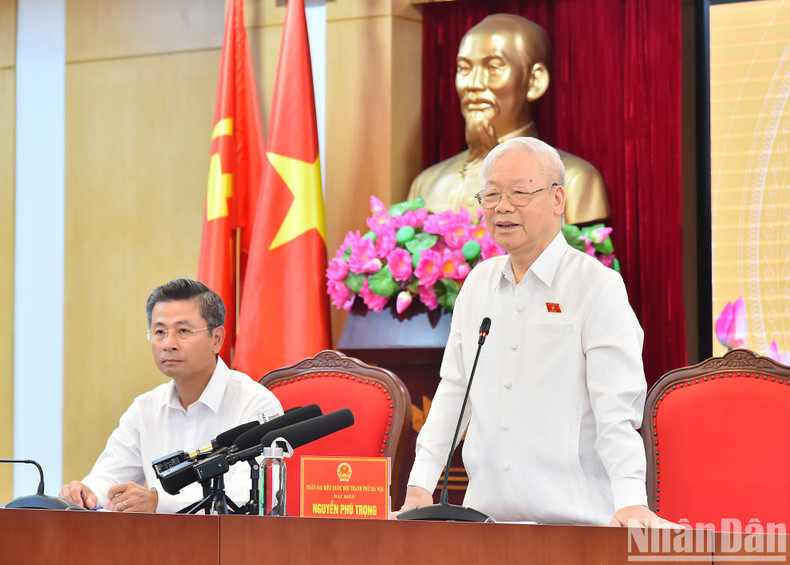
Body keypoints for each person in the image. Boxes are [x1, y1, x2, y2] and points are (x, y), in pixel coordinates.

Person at [400, 137, 669, 526]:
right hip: (484, 525)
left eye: (520, 193)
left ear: (558, 200)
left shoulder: (596, 287)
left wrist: (630, 500)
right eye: (491, 194)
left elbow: (617, 411)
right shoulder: (478, 284)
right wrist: (420, 484)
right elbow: (454, 393)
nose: (503, 206)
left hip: (574, 527)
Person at [59, 279, 283, 513]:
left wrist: (159, 503)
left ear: (216, 338)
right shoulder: (145, 409)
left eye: (183, 331)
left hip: (231, 545)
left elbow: (253, 493)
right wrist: (86, 493)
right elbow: (108, 477)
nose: (168, 344)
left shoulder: (258, 404)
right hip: (156, 545)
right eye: (159, 332)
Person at [408, 14, 610, 226]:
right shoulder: (426, 184)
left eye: (494, 68)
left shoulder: (574, 181)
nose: (474, 84)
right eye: (464, 69)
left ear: (535, 82)